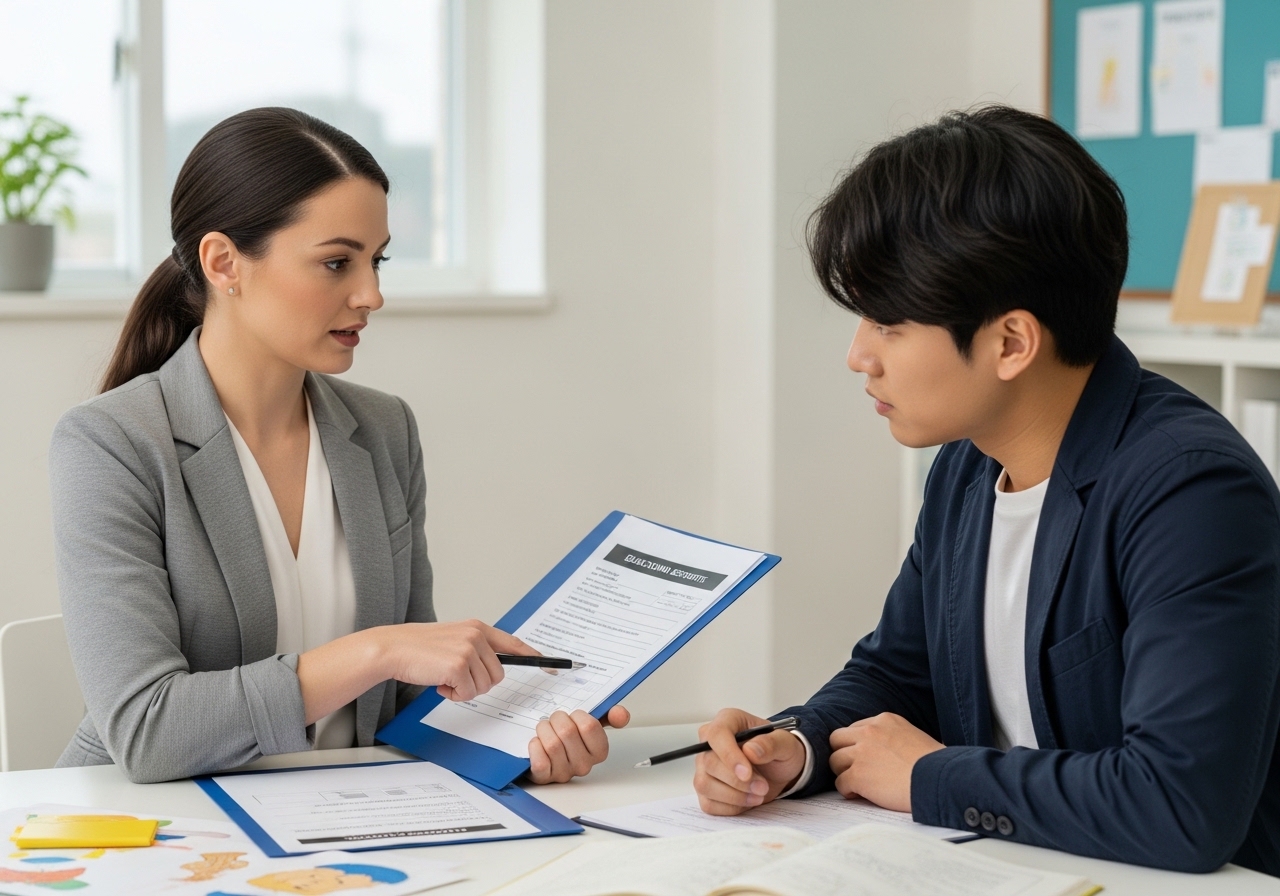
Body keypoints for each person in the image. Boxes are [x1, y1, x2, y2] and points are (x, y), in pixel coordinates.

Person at [691, 105, 1280, 875]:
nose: (858, 355)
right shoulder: (970, 464)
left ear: (1010, 342)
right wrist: (795, 748)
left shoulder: (1190, 490)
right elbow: (899, 673)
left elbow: (1180, 802)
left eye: (889, 323)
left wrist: (930, 777)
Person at [49, 107, 627, 784]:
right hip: (168, 832)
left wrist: (523, 734)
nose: (372, 293)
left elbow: (404, 702)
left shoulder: (383, 430)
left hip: (343, 815)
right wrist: (378, 650)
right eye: (336, 262)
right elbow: (149, 731)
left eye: (376, 260)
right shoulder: (111, 444)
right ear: (224, 262)